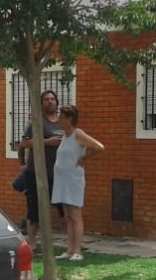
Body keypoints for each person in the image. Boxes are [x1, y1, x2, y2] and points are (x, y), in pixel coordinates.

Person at [50, 105, 104, 261]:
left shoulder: (78, 134)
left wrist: (83, 158)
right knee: (67, 216)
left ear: (70, 119)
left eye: (61, 117)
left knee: (75, 215)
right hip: (62, 180)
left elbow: (99, 147)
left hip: (74, 180)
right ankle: (69, 250)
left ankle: (78, 251)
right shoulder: (65, 136)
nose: (59, 119)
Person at [18, 89, 65, 248]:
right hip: (36, 171)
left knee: (63, 206)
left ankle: (71, 243)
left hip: (57, 172)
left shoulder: (61, 122)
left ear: (57, 102)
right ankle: (31, 243)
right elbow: (24, 144)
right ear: (41, 103)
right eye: (46, 99)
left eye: (52, 99)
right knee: (34, 208)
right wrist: (48, 142)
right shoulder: (36, 122)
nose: (50, 101)